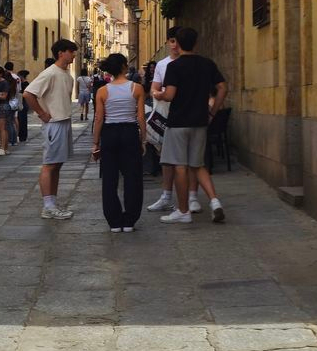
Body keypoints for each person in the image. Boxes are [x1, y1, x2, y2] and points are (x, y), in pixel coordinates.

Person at [153, 26, 226, 224]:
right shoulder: (207, 64)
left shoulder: (174, 67)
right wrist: (213, 111)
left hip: (178, 122)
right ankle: (215, 201)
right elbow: (222, 88)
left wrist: (158, 94)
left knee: (180, 167)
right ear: (195, 43)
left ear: (178, 43)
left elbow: (169, 95)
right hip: (200, 121)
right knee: (198, 165)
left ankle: (183, 211)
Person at [24, 39, 78, 220]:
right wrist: (41, 113)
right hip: (54, 123)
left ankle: (52, 203)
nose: (74, 55)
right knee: (50, 165)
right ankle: (47, 206)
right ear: (61, 52)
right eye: (71, 51)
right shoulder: (50, 73)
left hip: (64, 121)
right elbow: (28, 93)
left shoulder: (67, 76)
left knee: (57, 164)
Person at [92, 53, 147, 232]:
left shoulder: (102, 91)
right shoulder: (137, 88)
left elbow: (99, 118)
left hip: (109, 133)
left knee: (109, 178)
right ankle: (130, 220)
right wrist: (143, 139)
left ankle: (114, 221)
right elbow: (140, 117)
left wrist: (95, 143)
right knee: (132, 177)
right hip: (129, 132)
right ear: (125, 66)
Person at [147, 27, 199, 213]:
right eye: (171, 41)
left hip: (189, 116)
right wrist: (158, 94)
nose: (175, 45)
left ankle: (192, 197)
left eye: (177, 41)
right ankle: (166, 196)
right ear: (168, 43)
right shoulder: (162, 65)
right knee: (167, 160)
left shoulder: (195, 63)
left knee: (192, 159)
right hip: (169, 117)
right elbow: (154, 88)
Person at [4, 61, 22, 146]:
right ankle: (16, 136)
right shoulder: (17, 77)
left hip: (10, 99)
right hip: (16, 98)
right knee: (15, 118)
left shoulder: (7, 77)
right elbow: (19, 89)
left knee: (9, 121)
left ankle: (10, 138)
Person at [16, 69, 31, 142]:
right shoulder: (22, 83)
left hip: (23, 103)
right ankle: (22, 135)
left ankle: (23, 136)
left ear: (22, 76)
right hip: (23, 103)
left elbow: (24, 94)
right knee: (21, 120)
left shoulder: (25, 84)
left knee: (22, 120)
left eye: (19, 76)